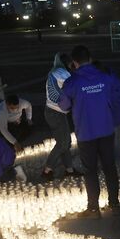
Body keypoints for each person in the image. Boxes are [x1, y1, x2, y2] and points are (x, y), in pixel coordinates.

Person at [59, 45, 120, 219]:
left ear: (74, 63)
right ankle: (114, 204)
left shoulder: (72, 82)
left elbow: (64, 106)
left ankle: (93, 209)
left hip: (86, 132)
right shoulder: (105, 77)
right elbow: (114, 97)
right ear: (90, 59)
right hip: (106, 128)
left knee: (90, 170)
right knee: (110, 167)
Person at [42, 53, 81, 181]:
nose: (72, 66)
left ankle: (69, 170)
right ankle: (47, 169)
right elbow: (73, 83)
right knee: (63, 143)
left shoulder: (56, 71)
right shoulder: (60, 72)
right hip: (55, 113)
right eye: (71, 64)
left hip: (57, 112)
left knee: (66, 143)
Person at [94, 60, 120, 160]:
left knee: (116, 137)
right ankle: (111, 158)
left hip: (115, 114)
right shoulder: (110, 78)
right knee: (114, 137)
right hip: (113, 114)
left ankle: (114, 159)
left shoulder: (109, 81)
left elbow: (115, 99)